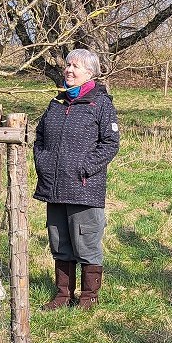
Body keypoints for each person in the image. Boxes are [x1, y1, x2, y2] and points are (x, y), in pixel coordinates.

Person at [34, 48, 120, 311]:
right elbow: (40, 137)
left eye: (76, 67)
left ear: (90, 73)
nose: (69, 70)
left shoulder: (101, 103)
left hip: (84, 187)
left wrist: (84, 168)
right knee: (59, 241)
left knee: (86, 242)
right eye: (68, 65)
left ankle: (88, 297)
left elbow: (110, 143)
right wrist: (44, 164)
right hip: (54, 186)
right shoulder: (57, 102)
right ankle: (63, 295)